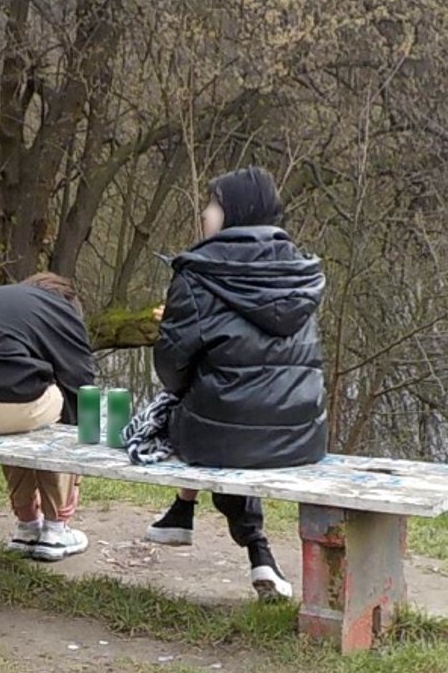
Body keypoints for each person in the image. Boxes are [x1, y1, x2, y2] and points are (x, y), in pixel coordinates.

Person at [138, 167, 327, 601]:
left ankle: (210, 523)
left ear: (234, 213)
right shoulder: (301, 273)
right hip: (303, 435)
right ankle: (191, 519)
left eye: (213, 205)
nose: (205, 214)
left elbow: (170, 368)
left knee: (201, 415)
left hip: (223, 438)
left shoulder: (198, 274)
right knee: (229, 410)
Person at [0, 273, 96, 562]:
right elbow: (81, 381)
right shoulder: (61, 313)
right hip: (6, 410)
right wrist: (88, 434)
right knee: (60, 408)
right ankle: (56, 529)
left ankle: (27, 525)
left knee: (18, 425)